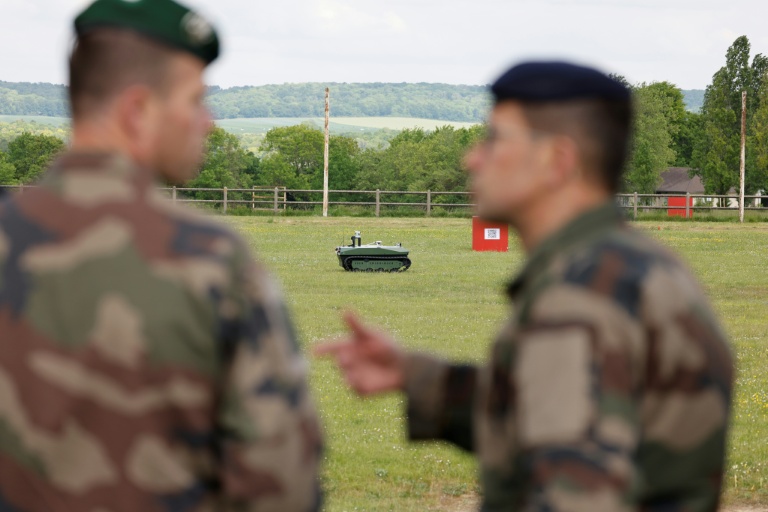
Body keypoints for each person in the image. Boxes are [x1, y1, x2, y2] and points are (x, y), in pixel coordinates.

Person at [317, 62, 733, 512]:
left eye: (494, 140)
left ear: (557, 161)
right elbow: (555, 416)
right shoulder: (631, 266)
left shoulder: (581, 300)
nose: (471, 158)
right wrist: (415, 375)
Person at [0, 0, 322, 510]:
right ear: (138, 111)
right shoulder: (211, 259)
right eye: (195, 101)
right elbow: (281, 485)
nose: (208, 123)